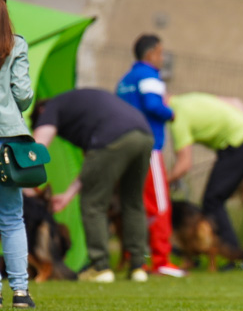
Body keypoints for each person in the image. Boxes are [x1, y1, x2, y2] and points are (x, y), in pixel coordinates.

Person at [31, 88, 154, 283]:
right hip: (144, 134)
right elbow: (92, 165)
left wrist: (25, 183)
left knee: (93, 204)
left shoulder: (49, 107)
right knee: (133, 202)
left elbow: (38, 146)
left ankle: (100, 267)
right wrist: (67, 195)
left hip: (112, 137)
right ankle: (139, 267)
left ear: (40, 111)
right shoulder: (79, 106)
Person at [166, 92, 243, 266]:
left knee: (213, 199)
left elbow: (184, 164)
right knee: (214, 199)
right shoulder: (185, 100)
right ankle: (199, 254)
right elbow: (234, 100)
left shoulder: (176, 116)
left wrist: (161, 183)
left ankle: (236, 257)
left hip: (240, 143)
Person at [116, 34, 186, 278]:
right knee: (159, 204)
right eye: (161, 53)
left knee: (135, 204)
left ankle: (134, 257)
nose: (163, 58)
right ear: (152, 53)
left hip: (125, 148)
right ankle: (160, 259)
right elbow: (154, 105)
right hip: (149, 147)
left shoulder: (125, 80)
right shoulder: (149, 75)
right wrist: (172, 113)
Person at [0, 0, 36, 308]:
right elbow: (24, 95)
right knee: (12, 217)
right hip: (8, 139)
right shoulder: (16, 45)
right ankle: (20, 293)